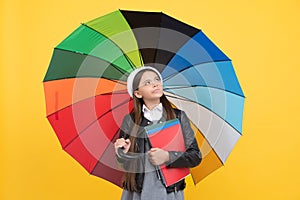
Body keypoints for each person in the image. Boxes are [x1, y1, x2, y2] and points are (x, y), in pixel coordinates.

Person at [114, 66, 201, 200]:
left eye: (157, 79)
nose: (155, 83)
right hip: (138, 192)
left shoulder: (178, 117)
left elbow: (195, 156)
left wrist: (167, 156)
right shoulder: (130, 120)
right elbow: (124, 164)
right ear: (137, 93)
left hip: (170, 192)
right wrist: (123, 153)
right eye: (147, 82)